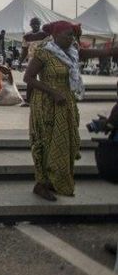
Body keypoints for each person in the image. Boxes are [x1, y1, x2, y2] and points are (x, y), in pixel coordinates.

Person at [24, 20, 118, 201]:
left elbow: (106, 52)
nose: (71, 39)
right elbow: (28, 77)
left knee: (63, 143)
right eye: (68, 35)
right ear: (56, 36)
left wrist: (114, 50)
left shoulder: (74, 52)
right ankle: (41, 183)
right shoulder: (44, 53)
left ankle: (55, 180)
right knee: (45, 142)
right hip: (46, 103)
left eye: (73, 36)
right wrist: (52, 92)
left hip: (65, 102)